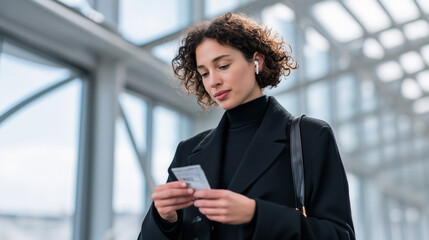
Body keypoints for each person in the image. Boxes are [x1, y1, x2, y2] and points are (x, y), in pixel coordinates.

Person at [138, 12, 355, 240]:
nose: (213, 81)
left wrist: (256, 213)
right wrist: (164, 219)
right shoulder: (189, 151)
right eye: (204, 73)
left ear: (256, 62)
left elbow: (340, 235)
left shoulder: (309, 137)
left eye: (222, 66)